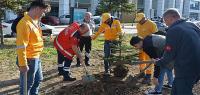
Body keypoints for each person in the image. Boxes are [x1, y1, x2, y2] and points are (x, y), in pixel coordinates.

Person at [155, 8, 200, 95]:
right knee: (175, 90)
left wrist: (159, 62)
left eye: (165, 20)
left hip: (186, 68)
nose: (165, 24)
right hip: (196, 65)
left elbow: (169, 53)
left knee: (183, 92)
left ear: (171, 18)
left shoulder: (174, 30)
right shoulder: (191, 24)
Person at [16, 1, 49, 95]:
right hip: (29, 58)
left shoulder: (34, 21)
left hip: (36, 56)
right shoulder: (24, 24)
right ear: (37, 9)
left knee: (38, 80)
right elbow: (21, 46)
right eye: (43, 12)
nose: (43, 14)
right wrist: (22, 64)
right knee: (27, 84)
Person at [134, 13, 158, 84]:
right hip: (141, 46)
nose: (139, 22)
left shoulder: (151, 24)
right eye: (138, 20)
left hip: (149, 46)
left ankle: (148, 75)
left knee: (148, 60)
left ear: (144, 18)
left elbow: (156, 35)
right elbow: (138, 35)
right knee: (141, 59)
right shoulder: (138, 25)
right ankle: (142, 72)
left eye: (140, 20)